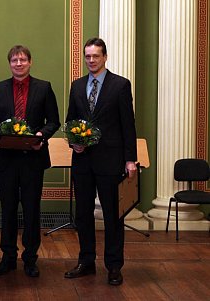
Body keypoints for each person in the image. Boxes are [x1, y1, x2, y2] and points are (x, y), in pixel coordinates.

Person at [64, 38, 137, 285]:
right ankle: (86, 262)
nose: (91, 60)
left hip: (111, 161)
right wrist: (73, 142)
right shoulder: (76, 86)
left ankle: (114, 266)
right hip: (82, 161)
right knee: (83, 214)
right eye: (87, 56)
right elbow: (70, 122)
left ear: (105, 57)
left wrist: (130, 160)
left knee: (112, 215)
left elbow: (128, 125)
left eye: (95, 56)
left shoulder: (120, 85)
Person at [0, 45, 60, 277]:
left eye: (23, 60)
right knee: (8, 209)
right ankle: (8, 257)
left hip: (32, 159)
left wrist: (41, 136)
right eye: (14, 60)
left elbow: (54, 121)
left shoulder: (44, 88)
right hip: (6, 160)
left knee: (31, 209)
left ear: (30, 62)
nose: (19, 63)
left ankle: (30, 258)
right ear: (9, 64)